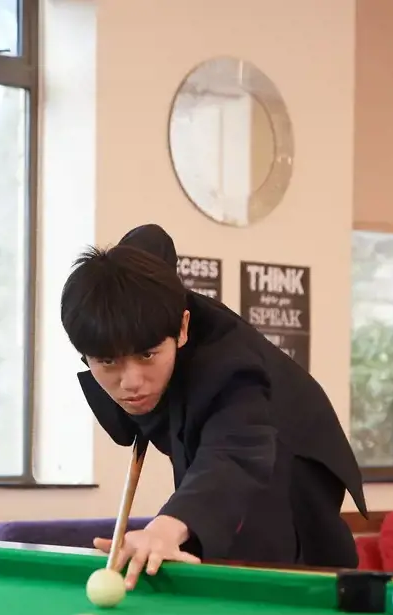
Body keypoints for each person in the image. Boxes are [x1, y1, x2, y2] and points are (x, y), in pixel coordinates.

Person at [60, 223, 368, 588]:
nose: (131, 382)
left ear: (183, 327)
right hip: (214, 445)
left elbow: (232, 454)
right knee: (203, 534)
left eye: (147, 355)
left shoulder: (230, 366)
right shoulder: (135, 292)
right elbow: (153, 238)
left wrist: (165, 527)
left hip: (285, 452)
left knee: (259, 568)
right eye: (107, 362)